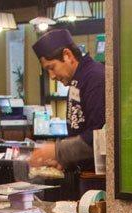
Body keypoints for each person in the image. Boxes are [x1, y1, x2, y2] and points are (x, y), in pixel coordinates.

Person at [28, 28, 105, 172]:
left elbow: (99, 135)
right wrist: (64, 161)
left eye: (51, 67)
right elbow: (79, 131)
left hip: (98, 179)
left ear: (67, 55)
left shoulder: (95, 77)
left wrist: (57, 151)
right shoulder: (76, 82)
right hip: (84, 174)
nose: (51, 76)